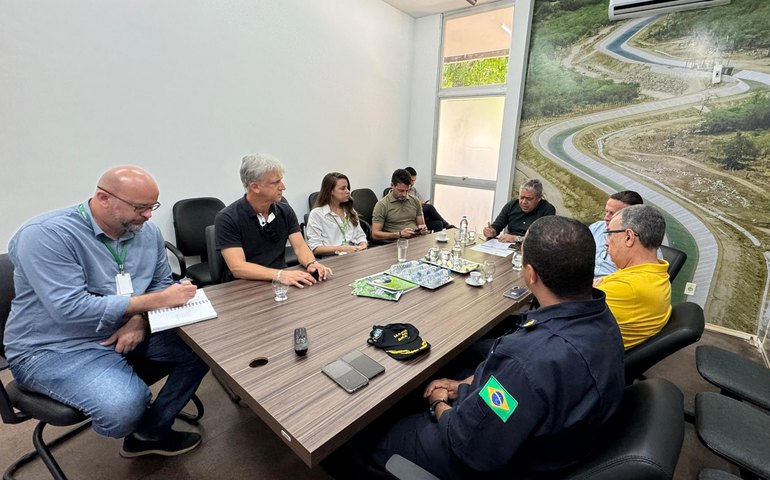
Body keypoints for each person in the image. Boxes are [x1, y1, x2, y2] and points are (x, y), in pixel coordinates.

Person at [343, 216, 624, 479]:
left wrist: (439, 402)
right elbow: (506, 396)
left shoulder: (527, 362)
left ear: (531, 274)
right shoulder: (602, 318)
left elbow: (468, 443)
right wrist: (463, 386)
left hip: (495, 461)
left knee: (368, 435)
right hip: (557, 437)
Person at [4, 166, 209, 457]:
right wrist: (152, 304)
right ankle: (135, 416)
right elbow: (70, 309)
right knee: (123, 408)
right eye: (141, 208)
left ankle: (150, 433)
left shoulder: (146, 232)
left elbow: (159, 284)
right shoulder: (46, 235)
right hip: (55, 348)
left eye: (153, 207)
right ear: (103, 198)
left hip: (124, 328)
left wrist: (139, 320)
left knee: (203, 350)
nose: (149, 215)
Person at [215, 153, 332, 287]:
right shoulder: (227, 218)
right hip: (243, 287)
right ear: (255, 187)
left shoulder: (285, 211)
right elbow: (238, 268)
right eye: (275, 182)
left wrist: (312, 263)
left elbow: (300, 247)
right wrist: (279, 275)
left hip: (279, 282)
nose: (283, 187)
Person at [594, 204, 671, 349]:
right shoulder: (657, 272)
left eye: (610, 234)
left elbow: (562, 314)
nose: (606, 242)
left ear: (629, 237)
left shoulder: (627, 287)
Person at [306, 172, 368, 256]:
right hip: (333, 257)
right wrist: (342, 248)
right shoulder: (317, 214)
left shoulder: (350, 210)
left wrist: (363, 244)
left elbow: (360, 236)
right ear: (330, 191)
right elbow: (315, 248)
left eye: (347, 188)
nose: (348, 191)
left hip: (354, 254)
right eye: (343, 188)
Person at [589, 190, 644, 277]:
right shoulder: (596, 227)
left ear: (632, 217)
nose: (606, 217)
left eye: (612, 213)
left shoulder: (645, 245)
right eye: (606, 211)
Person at [483, 179, 555, 243]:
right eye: (521, 197)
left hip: (532, 250)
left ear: (539, 198)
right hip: (507, 247)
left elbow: (544, 239)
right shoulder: (512, 205)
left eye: (528, 199)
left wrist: (517, 238)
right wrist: (492, 231)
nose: (524, 202)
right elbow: (497, 226)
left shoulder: (548, 209)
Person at [371, 168, 428, 241]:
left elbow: (421, 225)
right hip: (397, 243)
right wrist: (399, 234)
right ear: (392, 185)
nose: (404, 194)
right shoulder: (382, 205)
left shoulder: (415, 201)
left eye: (407, 190)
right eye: (401, 191)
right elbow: (375, 234)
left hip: (416, 240)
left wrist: (423, 229)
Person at [404, 166, 451, 232]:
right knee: (429, 207)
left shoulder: (413, 190)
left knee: (439, 224)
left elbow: (421, 200)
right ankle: (447, 225)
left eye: (414, 180)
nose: (412, 183)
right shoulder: (402, 191)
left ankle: (444, 227)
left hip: (419, 215)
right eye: (411, 180)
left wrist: (422, 203)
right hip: (411, 215)